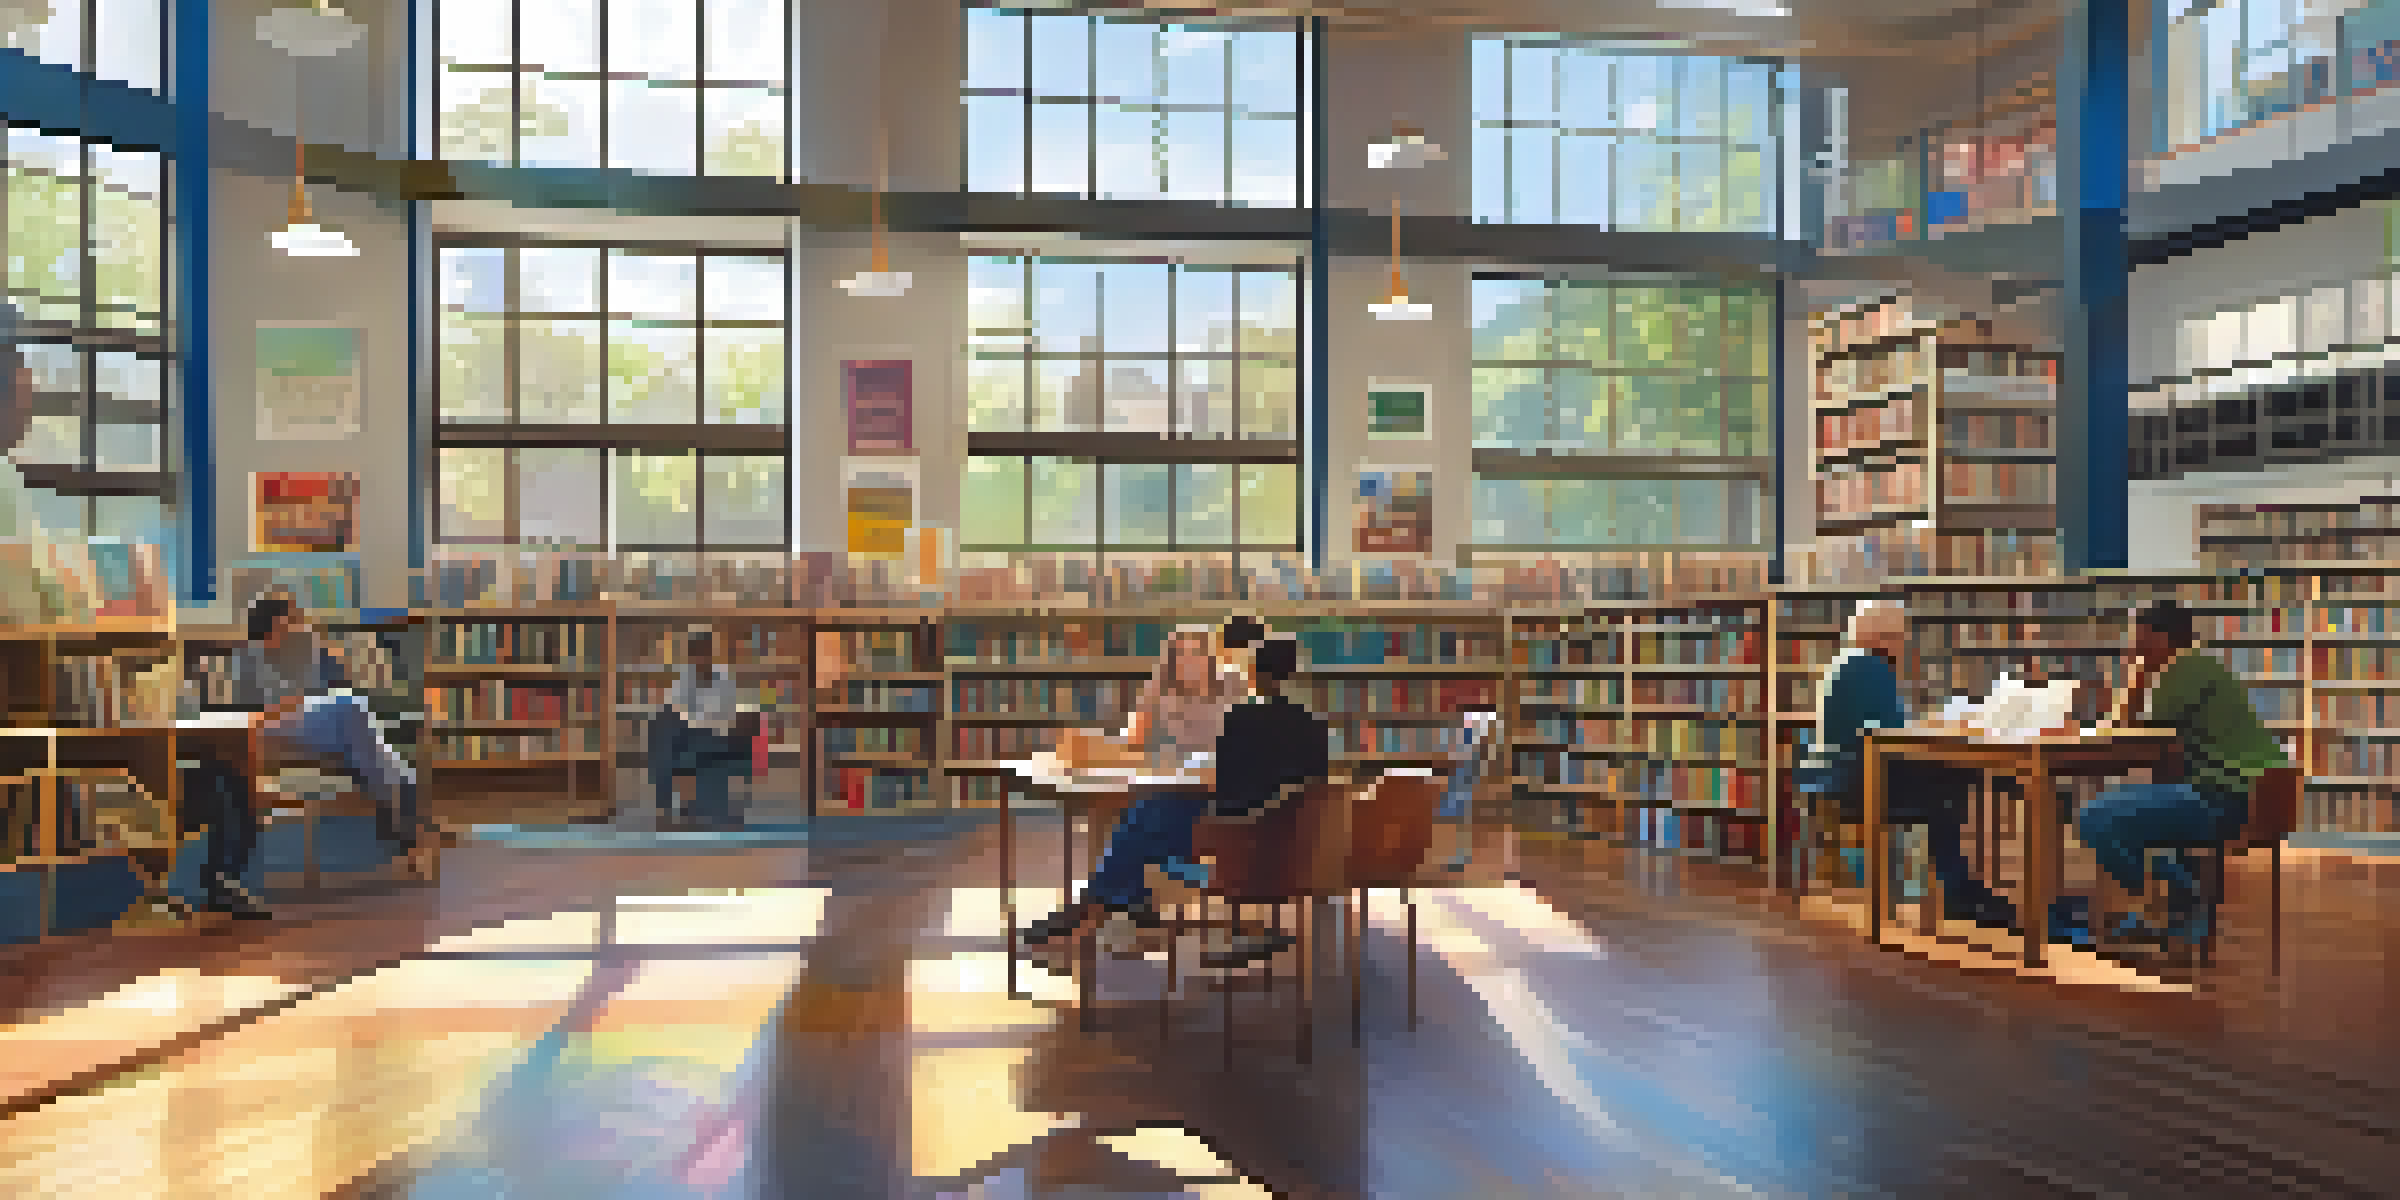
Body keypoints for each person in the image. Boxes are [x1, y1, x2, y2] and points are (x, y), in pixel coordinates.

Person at [2051, 600, 2289, 948]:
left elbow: (2125, 730)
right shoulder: (2203, 668)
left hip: (2223, 800)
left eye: (2140, 638)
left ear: (2161, 639)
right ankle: (2173, 905)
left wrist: (2136, 674)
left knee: (2094, 818)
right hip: (2241, 795)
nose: (2133, 646)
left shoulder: (2184, 671)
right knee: (2137, 808)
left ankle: (2173, 902)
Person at [1022, 619, 1256, 946]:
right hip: (1181, 787)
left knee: (1146, 812)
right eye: (1181, 655)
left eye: (1197, 653)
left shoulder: (1234, 685)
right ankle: (1130, 897)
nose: (1189, 661)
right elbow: (1132, 740)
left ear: (1211, 657)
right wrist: (1093, 744)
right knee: (1146, 809)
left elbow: (1250, 741)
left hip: (1223, 793)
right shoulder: (1162, 686)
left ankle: (1094, 904)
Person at [1795, 602, 2019, 928]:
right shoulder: (1868, 666)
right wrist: (1946, 725)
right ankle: (1964, 893)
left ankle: (1965, 890)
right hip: (1859, 785)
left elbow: (1887, 726)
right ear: (1883, 638)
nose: (1904, 646)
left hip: (1843, 777)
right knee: (1954, 786)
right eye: (1901, 638)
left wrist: (1928, 724)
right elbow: (1894, 734)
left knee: (1953, 784)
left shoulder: (1846, 663)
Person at [235, 590, 436, 879]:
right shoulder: (249, 657)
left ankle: (398, 803)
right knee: (351, 711)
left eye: (295, 619)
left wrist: (321, 656)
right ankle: (402, 799)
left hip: (311, 719)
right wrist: (286, 704)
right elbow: (251, 709)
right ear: (273, 622)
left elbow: (333, 684)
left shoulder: (304, 648)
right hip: (273, 725)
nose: (296, 624)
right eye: (289, 619)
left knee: (352, 713)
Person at [651, 628, 758, 830]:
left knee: (673, 737)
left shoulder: (725, 681)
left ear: (710, 655)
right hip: (693, 737)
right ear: (691, 658)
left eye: (704, 654)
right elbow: (677, 716)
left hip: (721, 738)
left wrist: (731, 724)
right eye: (696, 655)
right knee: (664, 730)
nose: (701, 659)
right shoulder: (682, 683)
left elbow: (737, 716)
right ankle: (668, 805)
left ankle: (673, 806)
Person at [1436, 703, 1505, 870]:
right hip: (1460, 779)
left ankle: (1460, 857)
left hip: (1469, 780)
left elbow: (1486, 755)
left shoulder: (1483, 727)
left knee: (1463, 819)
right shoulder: (1470, 728)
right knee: (1456, 819)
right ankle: (1456, 856)